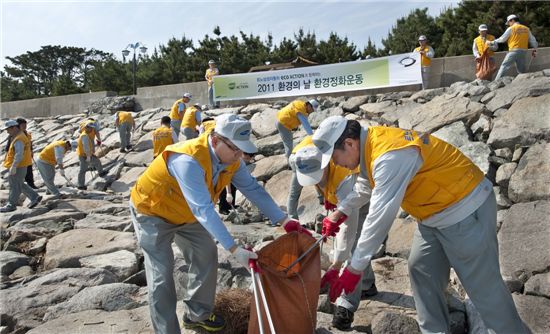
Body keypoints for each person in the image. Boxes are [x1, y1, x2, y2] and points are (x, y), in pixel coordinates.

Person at [312, 116, 530, 333]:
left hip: (464, 209)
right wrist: (341, 211)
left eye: (334, 157)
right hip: (431, 216)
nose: (335, 164)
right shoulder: (369, 144)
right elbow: (366, 183)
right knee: (421, 269)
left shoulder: (389, 154)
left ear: (349, 144)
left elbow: (379, 217)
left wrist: (354, 269)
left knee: (485, 291)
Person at [129, 114, 309, 333]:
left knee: (206, 254)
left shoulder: (232, 160)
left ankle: (197, 314)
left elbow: (252, 189)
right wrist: (234, 249)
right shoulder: (188, 159)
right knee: (161, 276)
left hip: (187, 215)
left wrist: (284, 220)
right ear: (215, 140)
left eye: (242, 150)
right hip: (153, 213)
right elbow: (203, 209)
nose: (239, 155)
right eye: (235, 149)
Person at [292, 142, 377, 330]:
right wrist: (329, 203)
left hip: (365, 193)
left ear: (326, 163)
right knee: (352, 246)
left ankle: (346, 305)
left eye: (316, 176)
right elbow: (316, 182)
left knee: (355, 245)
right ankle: (368, 284)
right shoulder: (302, 155)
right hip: (346, 195)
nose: (314, 181)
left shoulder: (343, 178)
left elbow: (348, 229)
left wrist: (336, 265)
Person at [1, 120, 42, 213]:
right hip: (21, 165)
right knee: (19, 183)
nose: (7, 131)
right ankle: (34, 197)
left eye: (8, 129)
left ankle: (11, 205)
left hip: (18, 166)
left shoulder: (19, 138)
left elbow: (19, 154)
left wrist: (14, 166)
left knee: (14, 185)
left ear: (14, 128)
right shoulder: (20, 136)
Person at [490, 14, 538, 80]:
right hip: (523, 51)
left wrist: (492, 42)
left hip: (514, 50)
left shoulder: (511, 28)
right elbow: (533, 40)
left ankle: (496, 81)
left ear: (512, 20)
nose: (509, 24)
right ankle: (524, 81)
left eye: (509, 22)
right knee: (521, 69)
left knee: (504, 66)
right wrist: (535, 48)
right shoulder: (526, 28)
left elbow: (502, 39)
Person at [76, 123, 107, 190]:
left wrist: (90, 153)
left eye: (92, 128)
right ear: (87, 128)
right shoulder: (84, 136)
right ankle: (80, 185)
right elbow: (86, 147)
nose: (92, 129)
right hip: (84, 155)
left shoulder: (86, 134)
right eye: (91, 128)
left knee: (97, 161)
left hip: (86, 154)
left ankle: (101, 173)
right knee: (83, 170)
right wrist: (88, 156)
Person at [12, 118, 38, 189]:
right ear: (18, 125)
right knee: (19, 172)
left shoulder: (27, 134)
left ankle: (31, 184)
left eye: (25, 125)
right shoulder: (15, 135)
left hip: (27, 155)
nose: (24, 126)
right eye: (23, 125)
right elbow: (9, 147)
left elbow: (30, 143)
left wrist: (31, 151)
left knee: (29, 170)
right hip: (18, 156)